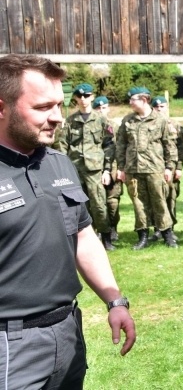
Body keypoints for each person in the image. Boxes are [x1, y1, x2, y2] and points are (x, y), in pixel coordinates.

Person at [0, 54, 136, 388]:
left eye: (60, 105)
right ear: (1, 108)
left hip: (68, 331)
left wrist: (114, 300)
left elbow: (84, 237)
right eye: (43, 107)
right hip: (10, 343)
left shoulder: (59, 163)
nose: (58, 117)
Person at [55, 83, 116, 250]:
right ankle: (85, 239)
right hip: (74, 169)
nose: (83, 99)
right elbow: (62, 145)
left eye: (87, 96)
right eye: (80, 96)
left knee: (99, 204)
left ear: (92, 97)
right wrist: (63, 168)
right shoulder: (70, 121)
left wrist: (107, 170)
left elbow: (109, 146)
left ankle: (106, 238)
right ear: (75, 98)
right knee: (79, 206)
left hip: (95, 169)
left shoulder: (101, 120)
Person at [116, 86, 178, 249]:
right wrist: (120, 167)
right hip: (133, 169)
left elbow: (169, 145)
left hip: (155, 168)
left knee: (160, 201)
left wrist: (169, 167)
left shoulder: (160, 120)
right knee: (138, 203)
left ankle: (167, 234)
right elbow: (121, 145)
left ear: (144, 100)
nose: (130, 102)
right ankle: (142, 236)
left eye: (133, 99)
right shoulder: (127, 120)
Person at [151, 95, 183, 241]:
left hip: (171, 168)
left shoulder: (177, 125)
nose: (159, 109)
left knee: (171, 197)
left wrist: (178, 167)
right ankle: (157, 229)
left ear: (167, 107)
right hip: (154, 167)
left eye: (162, 107)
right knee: (156, 198)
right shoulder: (151, 125)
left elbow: (182, 149)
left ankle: (170, 229)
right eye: (156, 107)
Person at [93, 95, 123, 242]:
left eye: (103, 108)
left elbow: (120, 148)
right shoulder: (91, 125)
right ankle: (98, 229)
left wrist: (119, 168)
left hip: (112, 168)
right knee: (96, 201)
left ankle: (113, 228)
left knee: (112, 202)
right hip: (94, 169)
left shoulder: (115, 127)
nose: (101, 111)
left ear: (108, 108)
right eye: (98, 108)